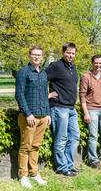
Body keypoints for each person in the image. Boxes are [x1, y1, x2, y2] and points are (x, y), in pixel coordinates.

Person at [45, 43, 82, 176]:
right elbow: (40, 80)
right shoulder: (55, 66)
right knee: (61, 139)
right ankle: (62, 167)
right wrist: (46, 95)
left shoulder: (73, 67)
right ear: (62, 52)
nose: (71, 55)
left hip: (71, 109)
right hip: (59, 108)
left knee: (75, 136)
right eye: (68, 53)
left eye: (73, 53)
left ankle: (69, 164)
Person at [15, 46, 50, 188]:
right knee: (25, 147)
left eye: (39, 55)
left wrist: (47, 113)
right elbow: (19, 95)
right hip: (29, 117)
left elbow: (44, 95)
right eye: (34, 55)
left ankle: (34, 173)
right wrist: (27, 113)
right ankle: (23, 176)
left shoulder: (43, 73)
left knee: (36, 146)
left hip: (42, 116)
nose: (37, 57)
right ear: (29, 56)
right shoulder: (23, 72)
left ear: (42, 57)